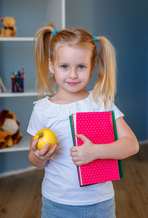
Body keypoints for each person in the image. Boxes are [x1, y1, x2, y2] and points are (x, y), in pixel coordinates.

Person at [27, 24, 139, 218]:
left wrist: (96, 151)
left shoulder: (101, 103)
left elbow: (132, 144)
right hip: (56, 203)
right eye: (64, 66)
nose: (72, 75)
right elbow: (34, 159)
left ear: (92, 67)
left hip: (100, 203)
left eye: (81, 67)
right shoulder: (43, 110)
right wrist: (40, 156)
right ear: (51, 65)